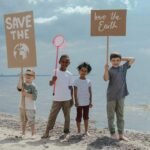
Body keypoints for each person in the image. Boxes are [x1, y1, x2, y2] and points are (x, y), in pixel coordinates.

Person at [103, 52, 135, 141]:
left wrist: (121, 58)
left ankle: (121, 134)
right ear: (110, 61)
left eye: (117, 60)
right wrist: (105, 69)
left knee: (120, 116)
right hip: (111, 96)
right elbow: (106, 79)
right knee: (111, 116)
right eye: (113, 60)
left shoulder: (123, 67)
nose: (115, 62)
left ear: (120, 61)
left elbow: (133, 59)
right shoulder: (110, 70)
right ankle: (113, 133)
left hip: (121, 96)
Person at [41, 54, 73, 140]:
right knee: (52, 116)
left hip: (67, 99)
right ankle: (47, 132)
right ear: (59, 62)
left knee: (67, 117)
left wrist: (72, 99)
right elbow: (50, 84)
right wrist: (53, 80)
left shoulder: (70, 74)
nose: (65, 63)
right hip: (57, 99)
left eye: (67, 62)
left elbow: (70, 87)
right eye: (63, 61)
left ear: (69, 63)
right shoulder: (55, 71)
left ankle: (66, 132)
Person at [74, 62, 92, 136]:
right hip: (79, 103)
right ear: (79, 71)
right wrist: (76, 102)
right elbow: (75, 93)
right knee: (78, 117)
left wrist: (90, 101)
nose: (83, 72)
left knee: (86, 117)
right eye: (82, 70)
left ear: (87, 72)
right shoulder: (76, 81)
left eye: (85, 71)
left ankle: (86, 131)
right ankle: (78, 130)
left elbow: (90, 92)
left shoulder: (88, 81)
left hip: (86, 102)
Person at [17, 69, 37, 137]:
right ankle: (23, 133)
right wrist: (20, 78)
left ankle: (33, 133)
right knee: (23, 120)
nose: (28, 77)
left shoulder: (33, 86)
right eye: (26, 75)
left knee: (31, 121)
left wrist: (26, 94)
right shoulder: (23, 84)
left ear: (33, 77)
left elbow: (34, 97)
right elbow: (19, 88)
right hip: (22, 106)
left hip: (30, 107)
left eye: (30, 75)